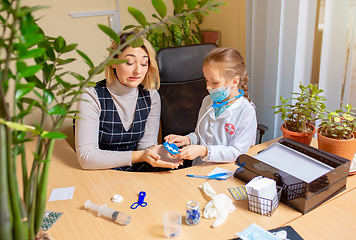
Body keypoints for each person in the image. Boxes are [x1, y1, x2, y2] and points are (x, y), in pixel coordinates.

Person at [75, 31, 182, 171]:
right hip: (102, 169)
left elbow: (146, 144)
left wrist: (157, 152)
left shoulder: (151, 96)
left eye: (144, 63)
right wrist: (141, 156)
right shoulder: (91, 96)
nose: (138, 71)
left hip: (137, 166)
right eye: (129, 63)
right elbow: (87, 157)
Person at [165, 47, 257, 166]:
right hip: (200, 167)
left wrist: (204, 151)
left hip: (225, 171)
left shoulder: (246, 111)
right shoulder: (207, 101)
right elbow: (200, 135)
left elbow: (237, 152)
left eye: (214, 82)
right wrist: (187, 139)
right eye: (206, 80)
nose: (208, 87)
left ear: (234, 82)